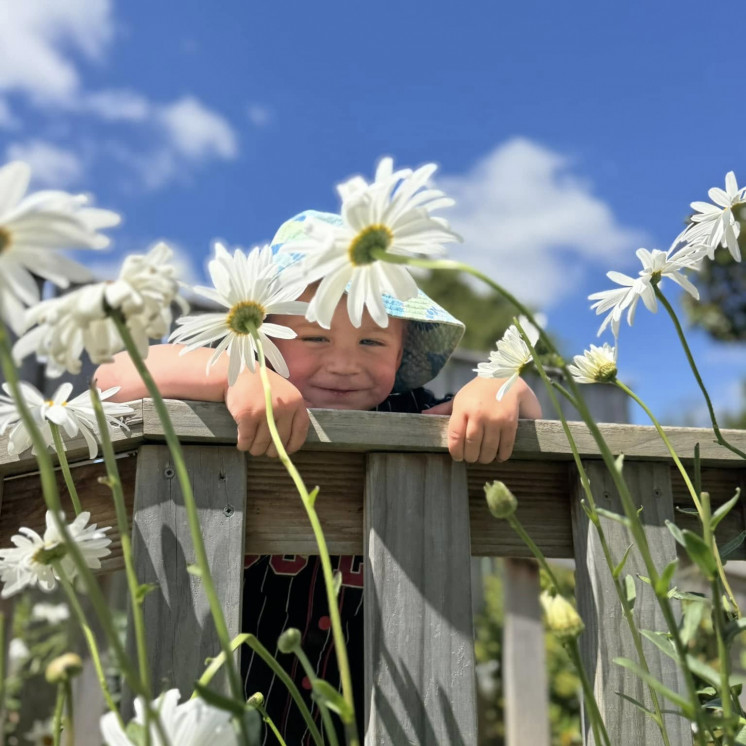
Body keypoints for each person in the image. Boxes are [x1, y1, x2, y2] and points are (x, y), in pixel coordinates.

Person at [95, 210, 542, 745]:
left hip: (375, 697)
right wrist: (237, 376)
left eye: (372, 343)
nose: (344, 364)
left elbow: (523, 412)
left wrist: (494, 393)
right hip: (227, 690)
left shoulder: (412, 413)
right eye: (314, 337)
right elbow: (113, 375)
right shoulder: (237, 386)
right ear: (266, 335)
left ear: (403, 350)